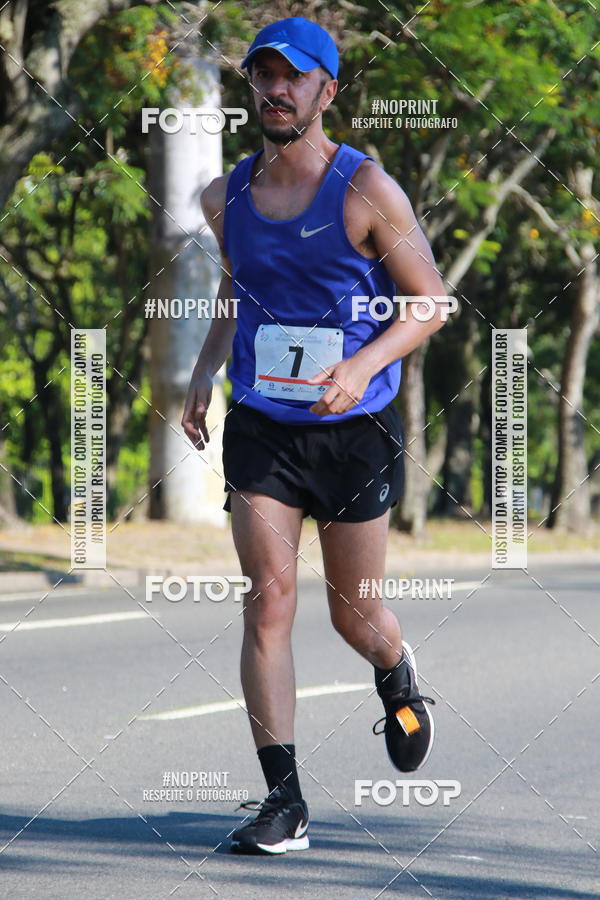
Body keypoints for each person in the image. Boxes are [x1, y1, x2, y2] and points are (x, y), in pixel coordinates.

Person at [182, 16, 448, 855]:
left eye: (294, 77)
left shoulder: (367, 190)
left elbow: (431, 302)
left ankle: (395, 669)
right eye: (264, 75)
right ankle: (284, 803)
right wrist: (203, 371)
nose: (276, 89)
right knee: (269, 599)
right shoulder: (224, 196)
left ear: (327, 90)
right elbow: (238, 290)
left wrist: (362, 366)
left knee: (352, 615)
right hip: (264, 424)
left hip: (354, 427)